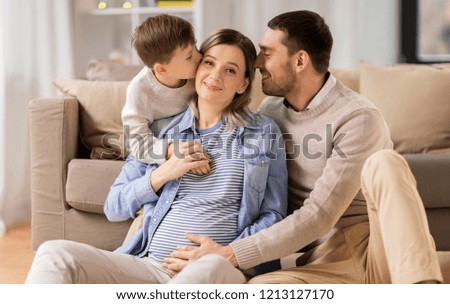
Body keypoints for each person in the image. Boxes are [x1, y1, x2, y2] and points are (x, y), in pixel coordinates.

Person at [165, 10, 444, 284]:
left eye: (267, 53)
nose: (258, 62)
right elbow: (202, 114)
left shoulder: (358, 117)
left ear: (300, 61)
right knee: (260, 290)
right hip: (317, 263)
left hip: (374, 253)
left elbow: (321, 213)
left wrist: (231, 253)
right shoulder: (271, 112)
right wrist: (165, 149)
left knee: (385, 162)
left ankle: (422, 289)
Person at [25, 29, 288, 284]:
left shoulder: (261, 131)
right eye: (209, 63)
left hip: (219, 266)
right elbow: (114, 206)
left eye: (230, 70)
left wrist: (225, 253)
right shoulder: (161, 132)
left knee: (205, 271)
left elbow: (273, 213)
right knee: (54, 254)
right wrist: (163, 172)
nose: (215, 75)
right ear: (196, 69)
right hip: (150, 265)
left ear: (243, 84)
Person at [122, 14, 202, 164]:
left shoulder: (199, 72)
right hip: (159, 144)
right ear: (162, 69)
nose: (199, 56)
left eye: (196, 47)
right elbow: (138, 143)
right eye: (189, 56)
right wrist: (171, 150)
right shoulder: (139, 89)